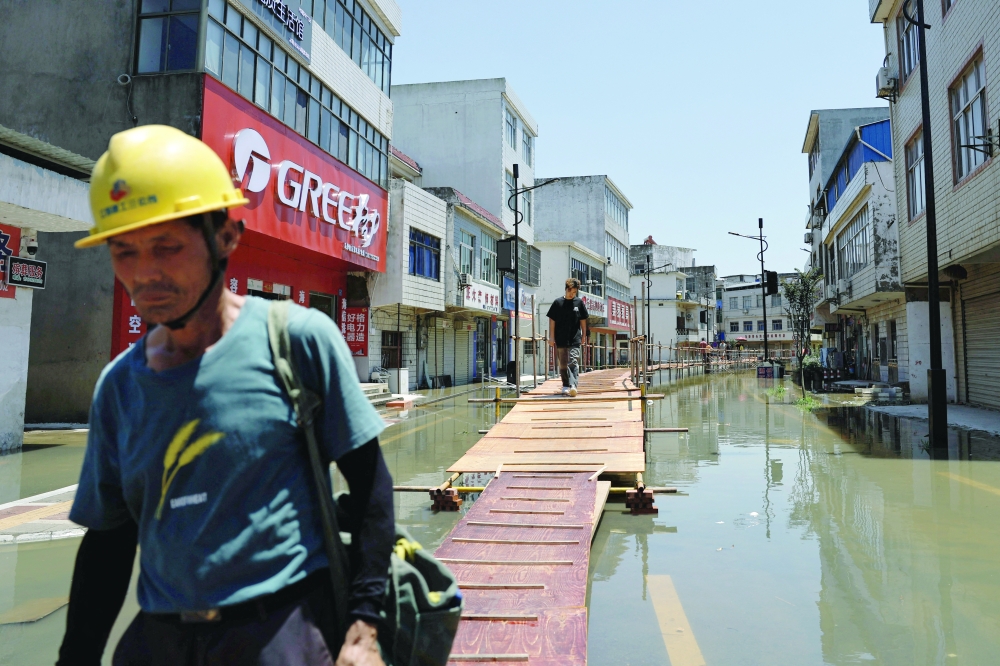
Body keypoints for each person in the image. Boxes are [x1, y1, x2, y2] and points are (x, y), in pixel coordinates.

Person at [58, 126, 393, 666]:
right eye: (123, 252)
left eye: (167, 246)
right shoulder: (120, 385)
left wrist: (363, 627)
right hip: (159, 643)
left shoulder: (297, 342)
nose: (145, 274)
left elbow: (371, 486)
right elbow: (108, 542)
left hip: (281, 636)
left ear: (227, 236)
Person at [546, 278, 589, 397]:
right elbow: (552, 320)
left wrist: (584, 335)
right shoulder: (557, 303)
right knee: (563, 363)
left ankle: (573, 386)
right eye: (571, 291)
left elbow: (583, 321)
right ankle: (565, 385)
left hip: (575, 338)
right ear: (566, 289)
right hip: (561, 339)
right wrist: (551, 337)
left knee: (573, 361)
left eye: (575, 292)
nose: (572, 294)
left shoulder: (579, 303)